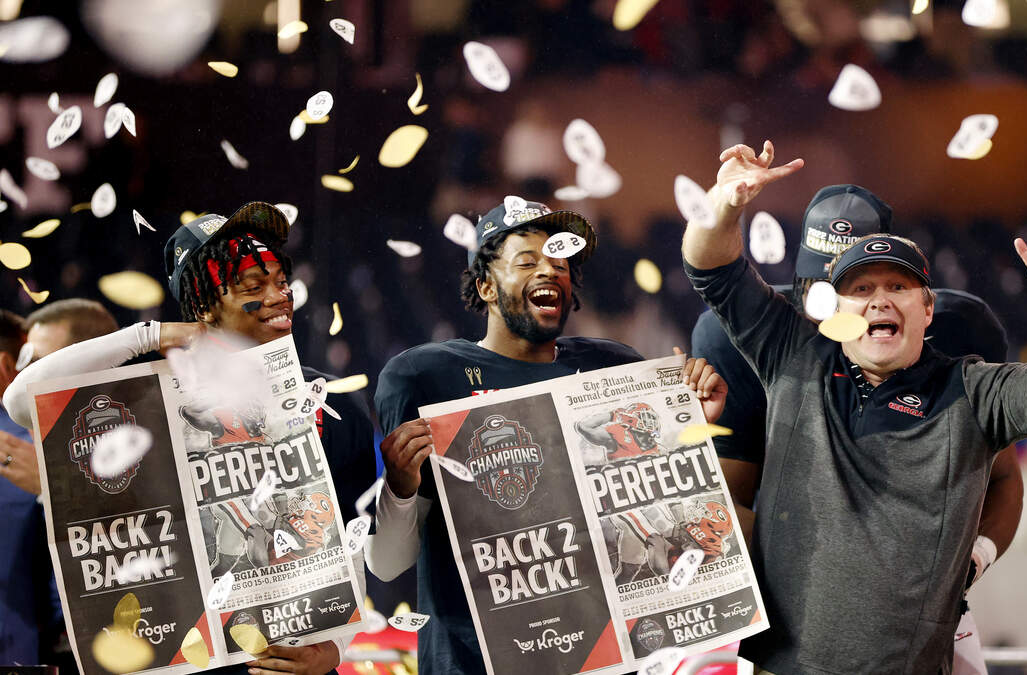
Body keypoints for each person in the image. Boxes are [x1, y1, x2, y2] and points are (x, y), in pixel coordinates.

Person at [681, 141, 1027, 674]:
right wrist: (725, 202)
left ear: (929, 308)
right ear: (836, 307)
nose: (879, 299)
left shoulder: (972, 389)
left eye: (897, 285)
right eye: (860, 287)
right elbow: (711, 267)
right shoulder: (792, 355)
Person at [4, 203, 377, 675]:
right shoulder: (143, 396)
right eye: (253, 286)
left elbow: (348, 541)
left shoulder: (327, 400)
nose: (280, 297)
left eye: (281, 281)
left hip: (283, 661)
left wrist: (335, 648)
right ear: (202, 305)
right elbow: (20, 400)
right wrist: (148, 336)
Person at [366, 195, 727, 675]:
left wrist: (691, 425)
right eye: (527, 261)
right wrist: (399, 488)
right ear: (485, 285)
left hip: (600, 659)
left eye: (560, 262)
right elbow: (387, 565)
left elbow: (667, 514)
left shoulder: (612, 367)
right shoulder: (426, 377)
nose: (550, 271)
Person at [2, 300, 118, 670]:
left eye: (38, 363)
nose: (23, 376)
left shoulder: (145, 443)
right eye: (23, 362)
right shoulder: (24, 445)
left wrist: (54, 490)